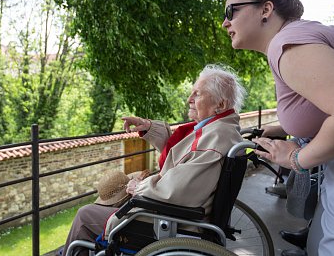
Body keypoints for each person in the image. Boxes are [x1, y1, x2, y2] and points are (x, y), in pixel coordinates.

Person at [58, 65, 246, 256]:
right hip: (178, 214)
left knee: (85, 215)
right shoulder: (219, 131)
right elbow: (181, 153)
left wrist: (139, 187)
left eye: (197, 94)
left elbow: (177, 190)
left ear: (220, 105)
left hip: (172, 222)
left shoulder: (214, 139)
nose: (189, 99)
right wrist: (149, 127)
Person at [222, 0, 334, 255]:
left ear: (265, 9)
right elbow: (322, 106)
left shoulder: (286, 45)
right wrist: (282, 128)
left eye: (231, 10)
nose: (225, 22)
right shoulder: (292, 40)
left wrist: (295, 159)